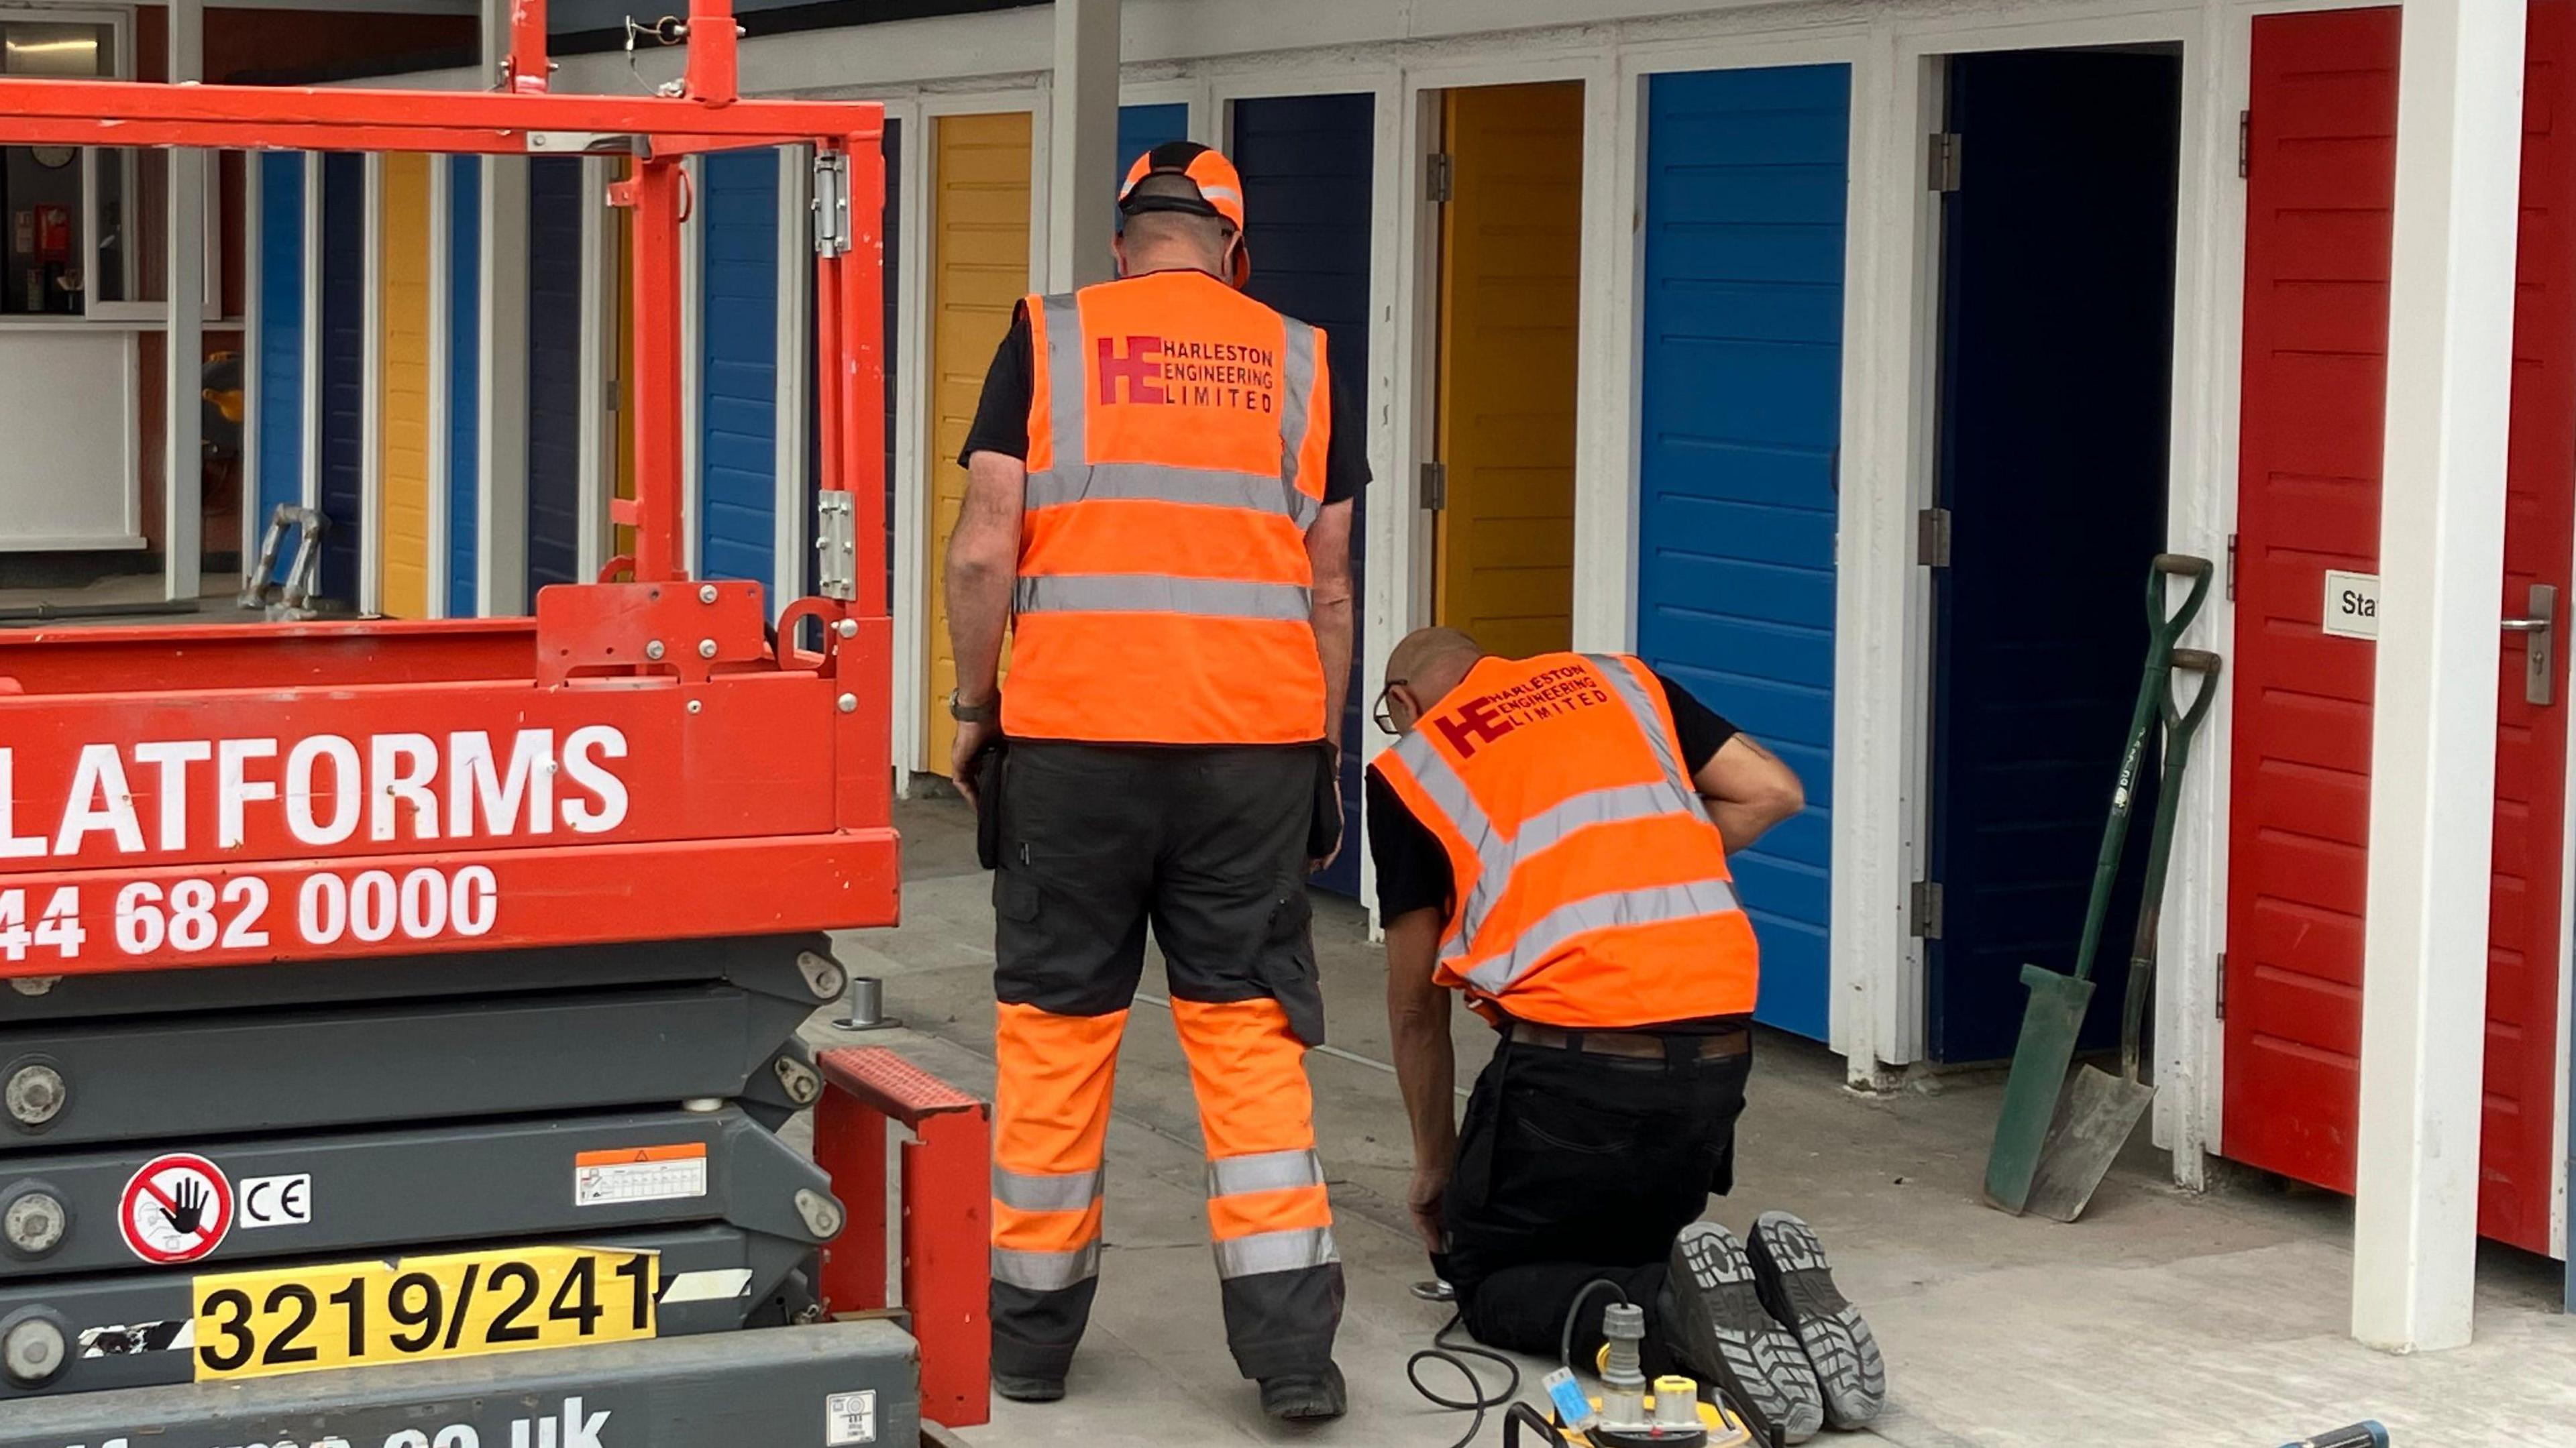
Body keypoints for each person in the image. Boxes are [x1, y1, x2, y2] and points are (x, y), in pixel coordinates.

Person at [941, 140, 1363, 1422]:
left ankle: (1028, 1342)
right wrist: (1322, 751)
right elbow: (1332, 585)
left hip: (1074, 750)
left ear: (1122, 243)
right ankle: (1291, 1353)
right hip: (1250, 754)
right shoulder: (1300, 357)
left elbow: (980, 552)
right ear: (1235, 250)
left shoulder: (1051, 338)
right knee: (1246, 1039)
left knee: (1060, 1036)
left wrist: (974, 708)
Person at [1366, 627, 1885, 1445]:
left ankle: (1674, 1314)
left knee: (1489, 1280)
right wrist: (1635, 860)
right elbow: (1773, 792)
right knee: (1629, 1239)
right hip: (1718, 1062)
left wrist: (1434, 1165)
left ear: (1405, 702)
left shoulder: (1415, 766)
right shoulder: (1623, 683)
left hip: (1577, 1076)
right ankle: (1762, 1289)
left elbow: (1412, 1010)